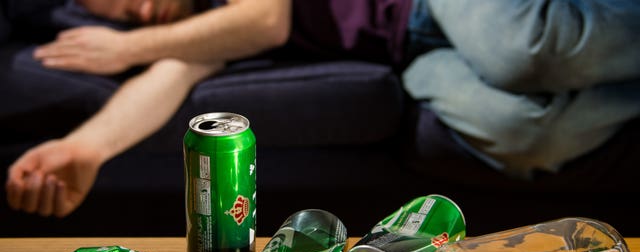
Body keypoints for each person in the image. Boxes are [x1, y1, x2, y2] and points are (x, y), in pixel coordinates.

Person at [5, 0, 640, 218]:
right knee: (522, 131)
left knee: (521, 52)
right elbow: (165, 80)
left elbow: (267, 17)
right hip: (406, 52)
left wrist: (125, 45)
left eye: (130, 0)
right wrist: (83, 149)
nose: (139, 13)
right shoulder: (202, 29)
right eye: (118, 17)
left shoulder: (226, 17)